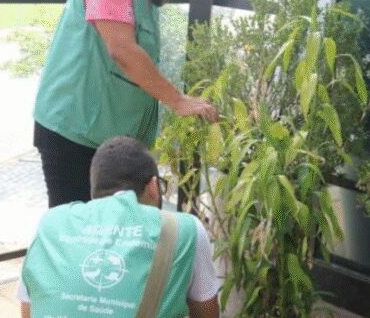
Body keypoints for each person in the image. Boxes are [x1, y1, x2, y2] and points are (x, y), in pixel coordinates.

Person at [33, 0, 221, 208]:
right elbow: (122, 50)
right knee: (78, 232)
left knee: (106, 231)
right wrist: (180, 101)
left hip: (104, 138)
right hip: (74, 133)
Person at [19, 136, 220, 318]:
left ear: (94, 190)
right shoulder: (184, 229)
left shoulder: (50, 225)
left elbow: (30, 311)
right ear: (153, 186)